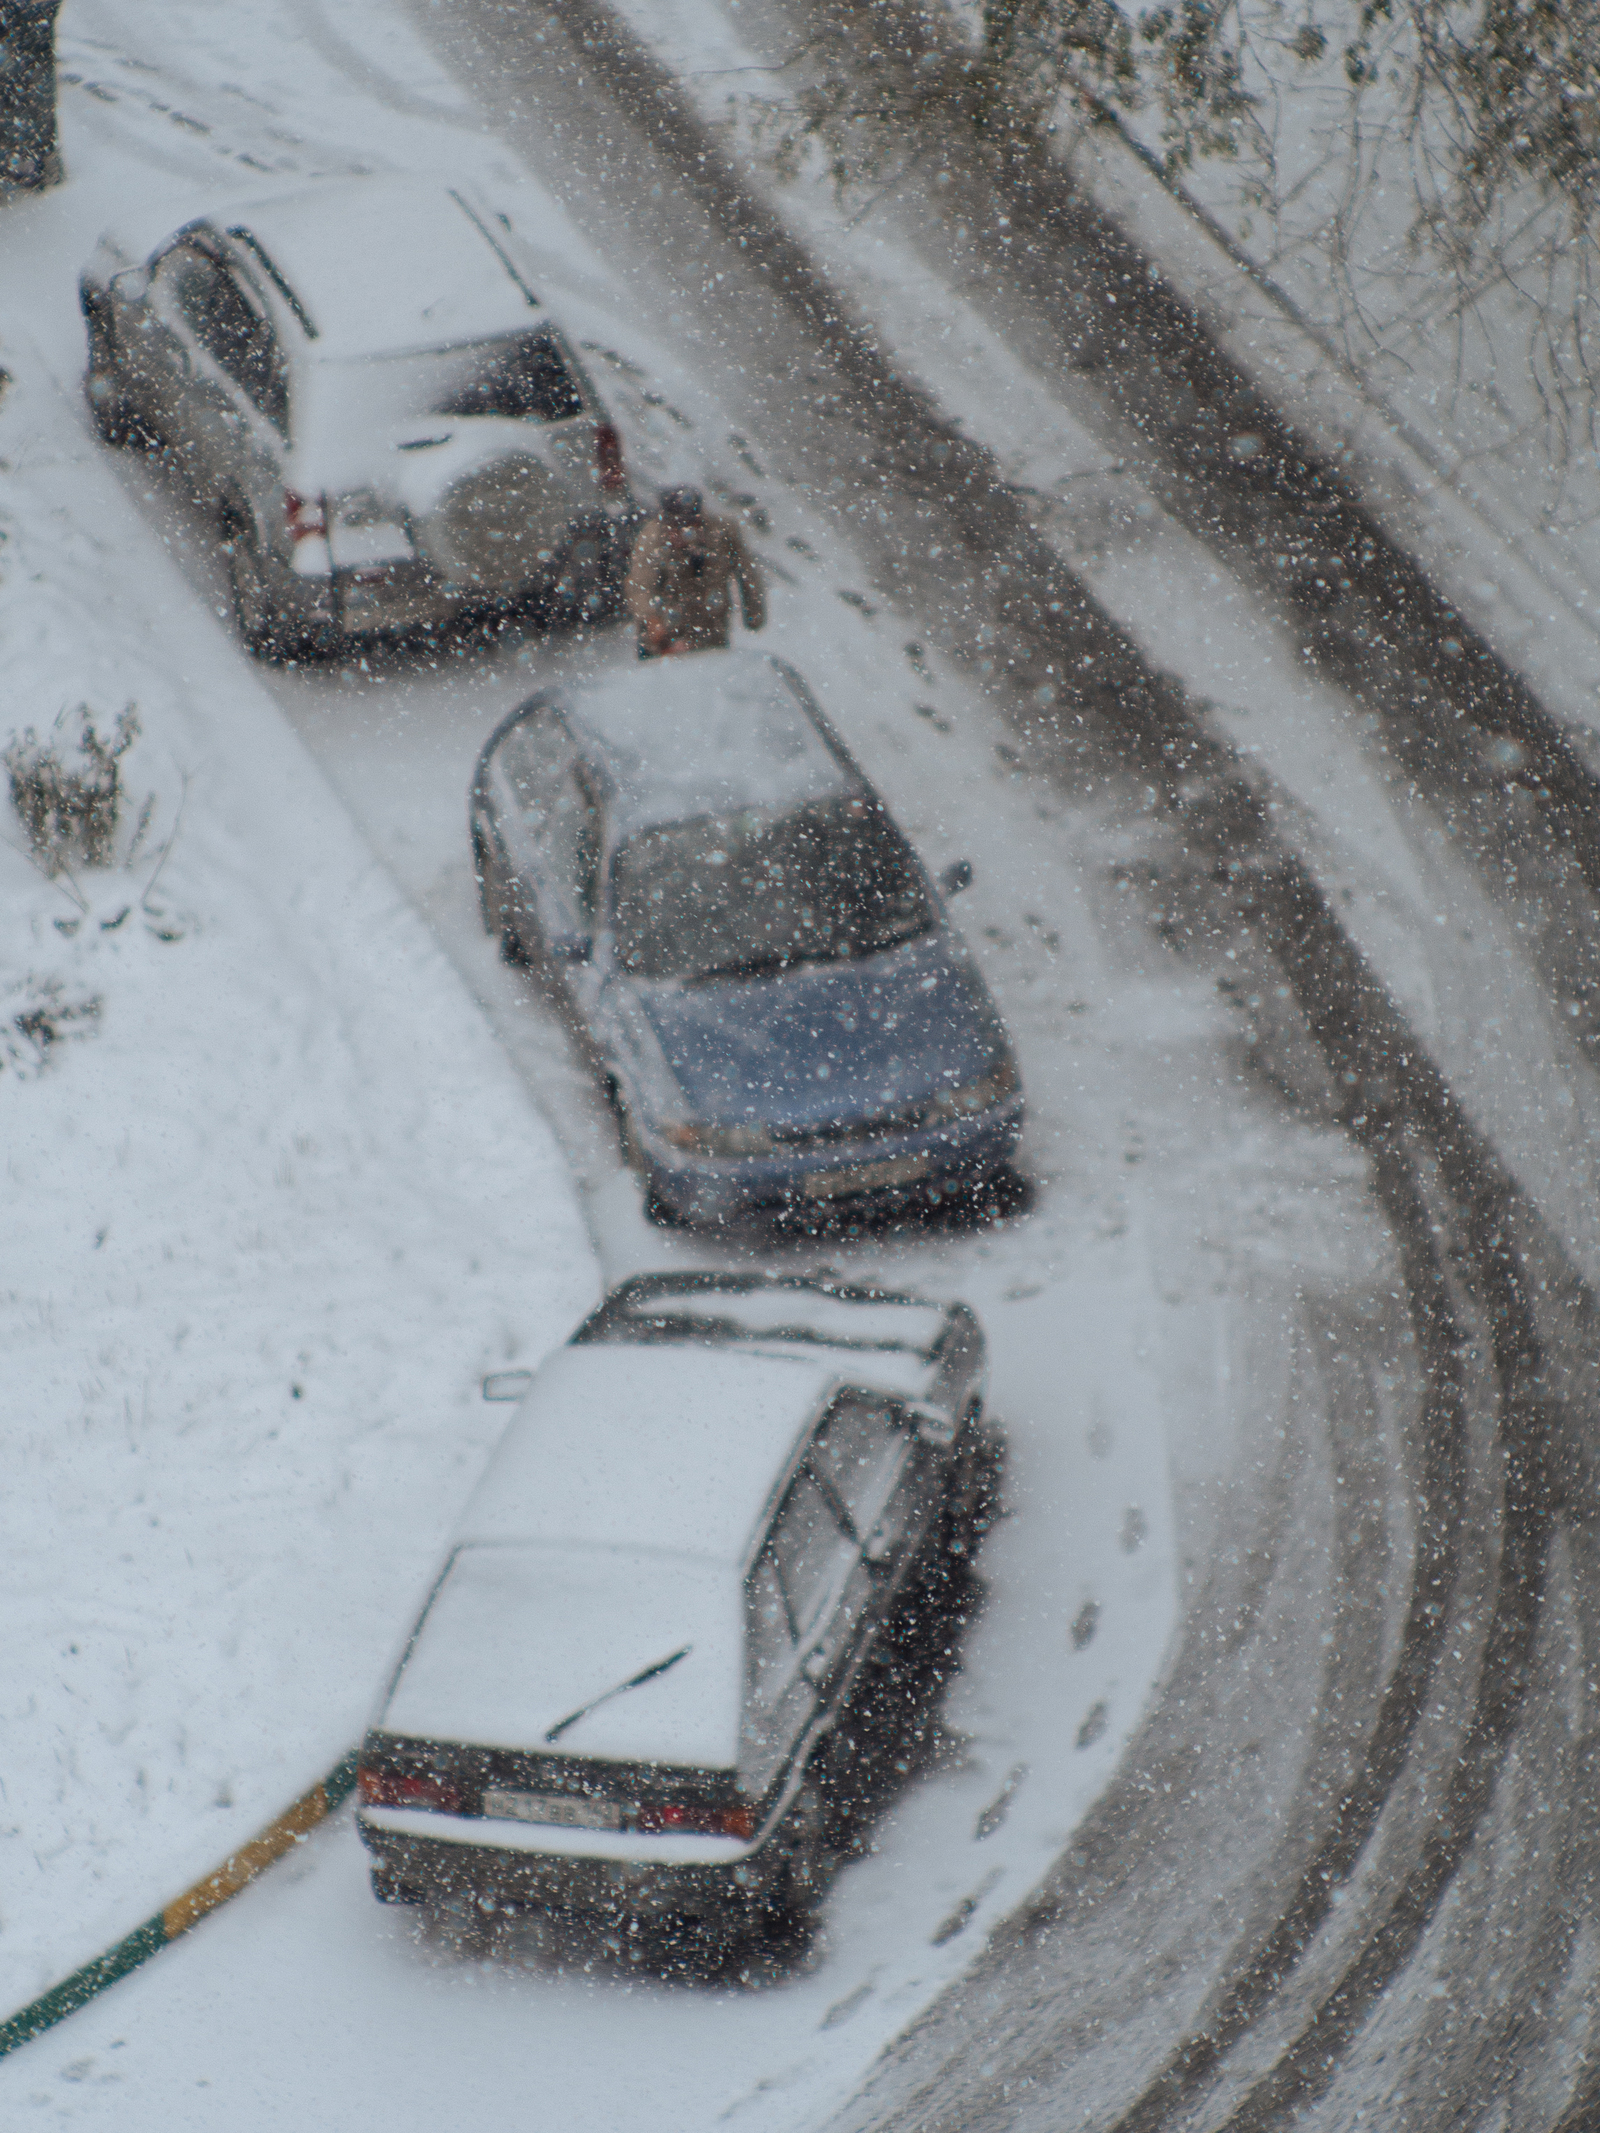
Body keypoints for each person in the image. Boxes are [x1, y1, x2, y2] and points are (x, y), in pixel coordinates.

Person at [623, 486, 767, 659]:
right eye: (676, 527)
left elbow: (748, 575)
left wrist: (753, 614)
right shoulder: (651, 539)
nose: (685, 533)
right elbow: (640, 585)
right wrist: (653, 622)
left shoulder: (723, 533)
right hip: (665, 642)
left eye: (691, 525)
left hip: (711, 632)